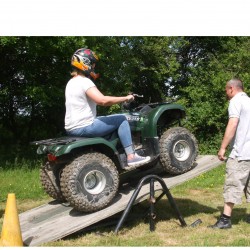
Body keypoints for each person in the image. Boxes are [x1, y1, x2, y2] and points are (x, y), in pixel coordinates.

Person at [64, 48, 150, 168]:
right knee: (122, 119)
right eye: (92, 64)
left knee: (106, 118)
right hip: (84, 126)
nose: (93, 67)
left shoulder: (71, 83)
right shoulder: (84, 82)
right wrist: (126, 98)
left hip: (71, 128)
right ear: (85, 63)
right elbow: (102, 100)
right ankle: (131, 156)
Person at [209, 78, 250, 229]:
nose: (226, 93)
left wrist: (223, 148)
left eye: (226, 90)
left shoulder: (235, 102)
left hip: (241, 153)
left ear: (232, 88)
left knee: (233, 183)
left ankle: (225, 220)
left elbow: (233, 124)